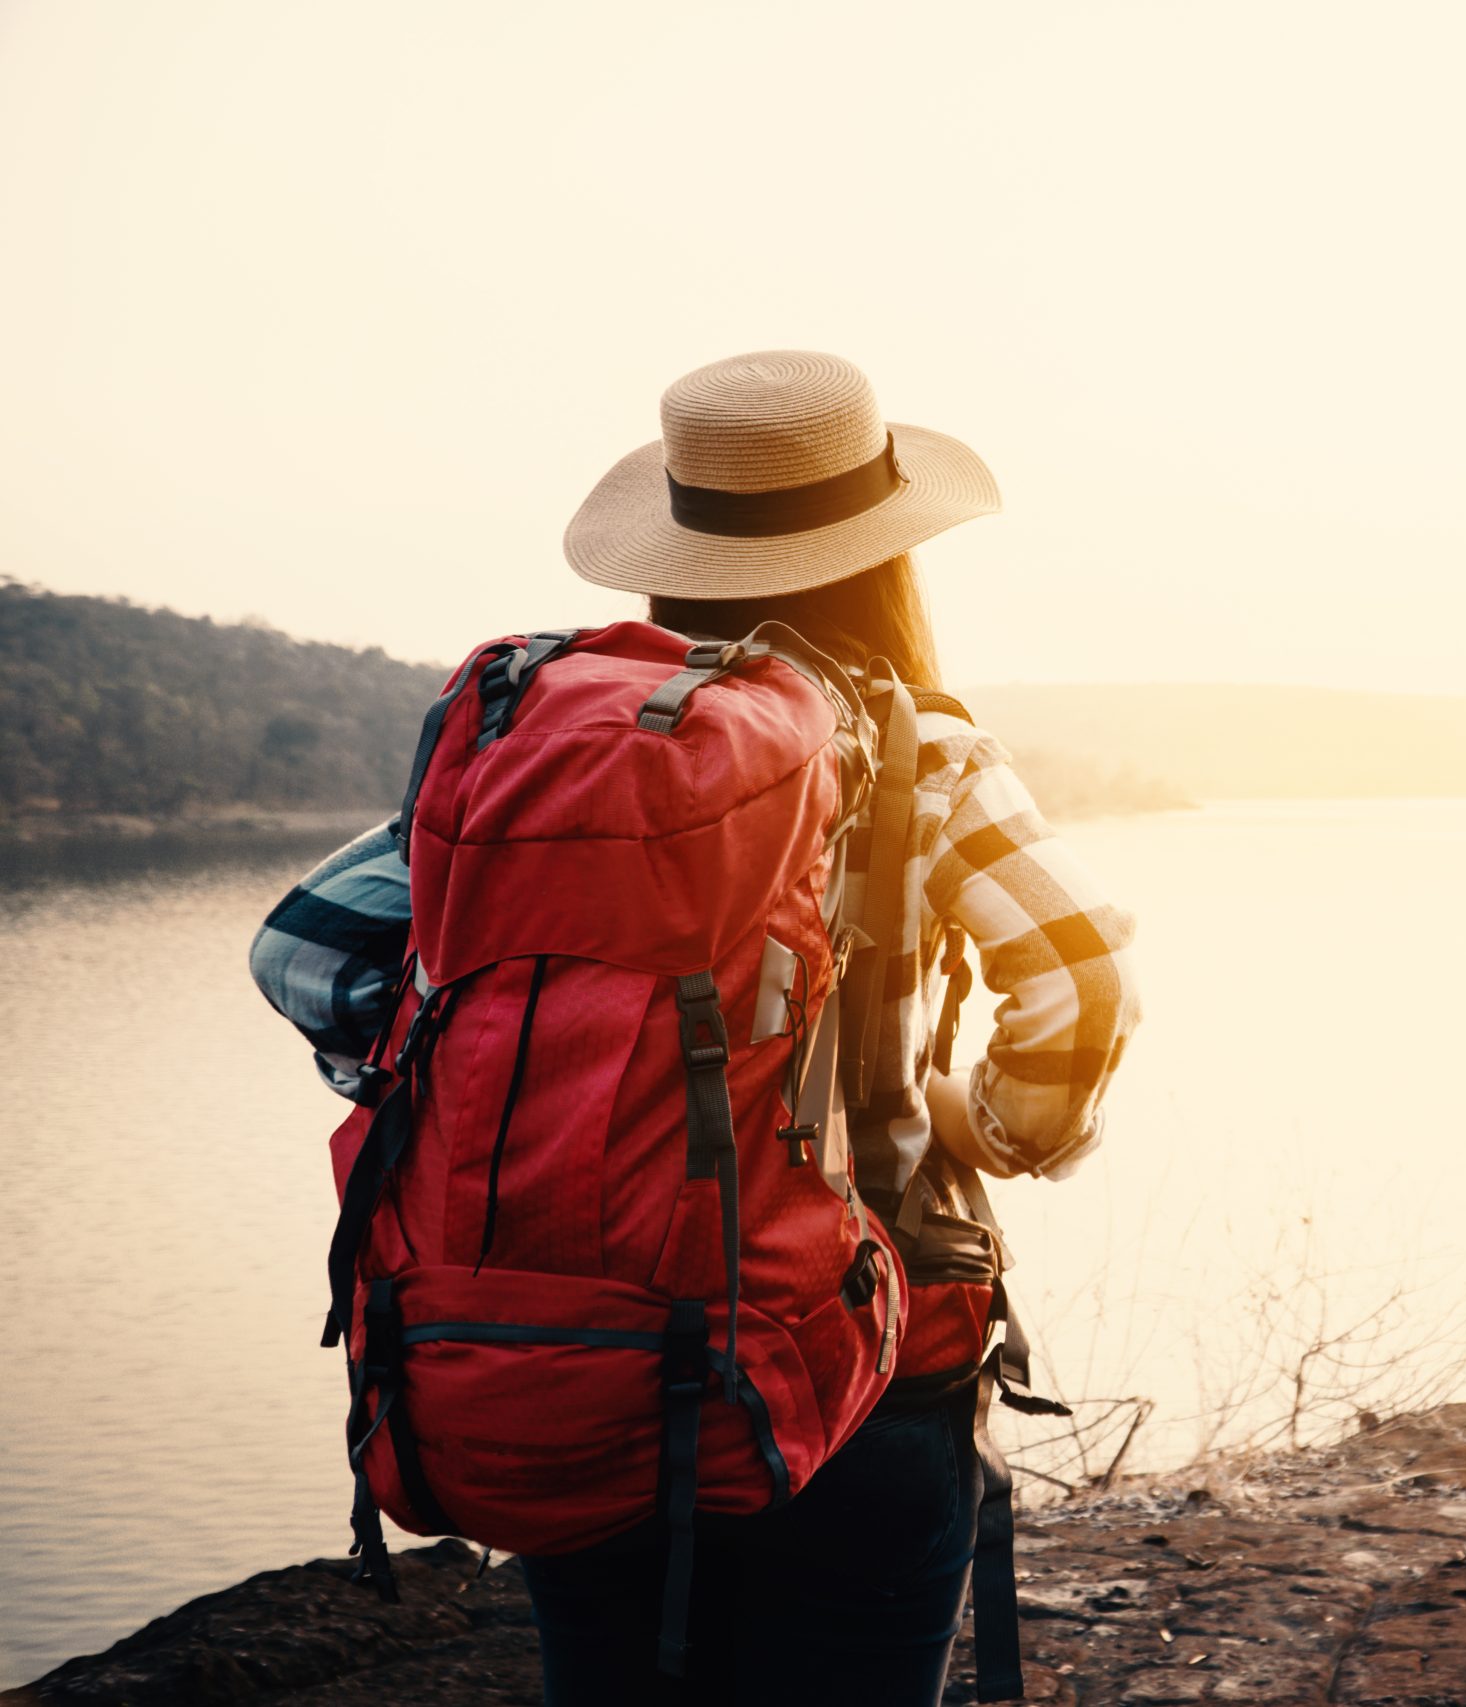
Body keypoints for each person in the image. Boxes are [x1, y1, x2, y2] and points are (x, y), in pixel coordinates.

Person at [250, 350, 1141, 1705]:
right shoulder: (916, 745)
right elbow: (1078, 979)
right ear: (881, 557)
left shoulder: (558, 749)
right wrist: (994, 1126)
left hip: (586, 1346)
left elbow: (304, 949)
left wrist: (498, 1073)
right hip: (872, 1352)